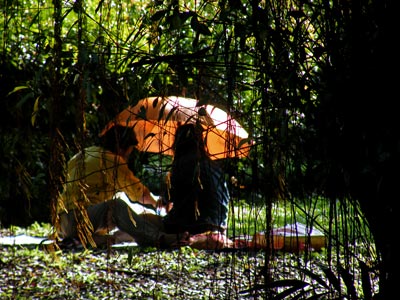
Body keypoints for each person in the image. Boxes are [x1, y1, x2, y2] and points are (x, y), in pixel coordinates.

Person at [56, 125, 190, 249]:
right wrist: (157, 204)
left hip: (63, 222)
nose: (128, 157)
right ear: (121, 148)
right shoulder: (111, 160)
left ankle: (90, 240)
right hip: (78, 219)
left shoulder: (84, 154)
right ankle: (160, 239)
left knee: (137, 220)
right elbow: (139, 193)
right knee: (116, 206)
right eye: (129, 152)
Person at [162, 123, 232, 248]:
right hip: (219, 227)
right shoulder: (214, 166)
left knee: (146, 221)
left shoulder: (181, 165)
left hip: (192, 226)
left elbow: (169, 200)